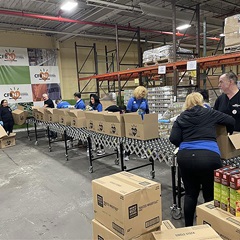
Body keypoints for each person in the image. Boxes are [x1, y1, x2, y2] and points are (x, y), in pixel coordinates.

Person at [169, 92, 235, 227]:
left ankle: (188, 228)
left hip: (186, 157)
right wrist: (229, 133)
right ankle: (208, 226)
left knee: (190, 194)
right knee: (209, 194)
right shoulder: (210, 113)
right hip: (209, 157)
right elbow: (231, 120)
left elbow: (174, 138)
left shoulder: (181, 117)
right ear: (201, 101)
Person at [125, 86, 149, 161]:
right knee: (130, 138)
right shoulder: (131, 100)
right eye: (140, 95)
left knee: (141, 138)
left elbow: (147, 110)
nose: (141, 97)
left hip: (142, 121)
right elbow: (127, 111)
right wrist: (135, 114)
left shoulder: (144, 100)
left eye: (143, 95)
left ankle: (141, 153)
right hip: (133, 121)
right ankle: (127, 154)